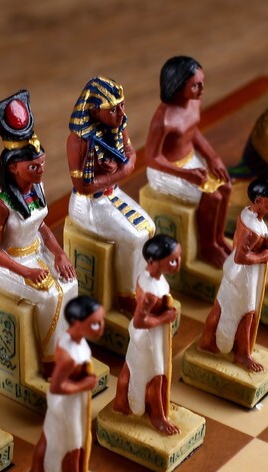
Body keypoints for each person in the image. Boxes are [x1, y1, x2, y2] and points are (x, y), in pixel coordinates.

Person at [0, 90, 77, 379]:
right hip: (9, 263)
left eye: (42, 164)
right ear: (13, 167)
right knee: (49, 296)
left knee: (70, 283)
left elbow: (42, 227)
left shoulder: (38, 189)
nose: (40, 171)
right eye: (33, 167)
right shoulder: (0, 205)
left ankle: (68, 346)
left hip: (36, 251)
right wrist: (25, 271)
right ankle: (50, 361)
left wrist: (58, 253)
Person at [67, 77, 154, 315]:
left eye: (122, 105)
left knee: (149, 228)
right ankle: (125, 296)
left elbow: (131, 154)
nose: (121, 113)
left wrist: (119, 170)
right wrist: (119, 173)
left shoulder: (117, 125)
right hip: (88, 205)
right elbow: (84, 186)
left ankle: (140, 283)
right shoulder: (78, 141)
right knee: (134, 238)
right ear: (95, 111)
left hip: (112, 193)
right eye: (114, 109)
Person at [145, 56, 232, 269]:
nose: (202, 89)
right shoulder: (163, 120)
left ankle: (218, 238)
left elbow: (192, 132)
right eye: (195, 85)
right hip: (166, 170)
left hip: (190, 160)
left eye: (202, 83)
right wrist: (186, 174)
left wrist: (212, 157)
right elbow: (151, 158)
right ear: (177, 86)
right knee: (212, 197)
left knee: (226, 186)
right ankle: (208, 246)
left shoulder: (194, 102)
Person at [199, 177, 268, 372]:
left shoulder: (247, 213)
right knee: (247, 313)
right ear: (260, 200)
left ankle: (207, 341)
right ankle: (242, 354)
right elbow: (241, 256)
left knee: (221, 305)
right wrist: (264, 255)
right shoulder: (253, 230)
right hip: (243, 275)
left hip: (235, 271)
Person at [29, 296, 105, 472]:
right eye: (95, 323)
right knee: (73, 446)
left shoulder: (74, 341)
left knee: (53, 438)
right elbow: (56, 387)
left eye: (101, 321)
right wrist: (84, 384)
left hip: (74, 402)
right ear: (77, 323)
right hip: (65, 405)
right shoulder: (69, 354)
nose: (101, 328)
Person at [113, 235, 180, 434]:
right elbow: (139, 321)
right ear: (153, 262)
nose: (177, 264)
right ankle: (157, 416)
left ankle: (122, 403)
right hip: (147, 337)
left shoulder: (150, 278)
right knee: (155, 374)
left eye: (178, 258)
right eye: (172, 260)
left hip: (153, 334)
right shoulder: (149, 293)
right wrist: (164, 317)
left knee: (132, 367)